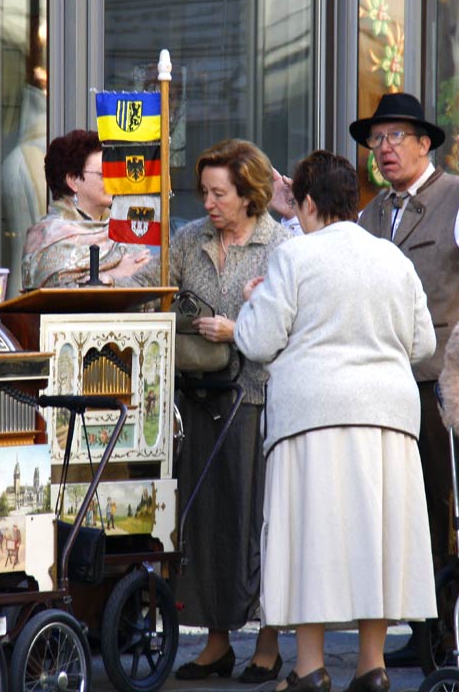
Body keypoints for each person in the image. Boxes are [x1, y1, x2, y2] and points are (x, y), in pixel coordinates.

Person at [235, 150, 437, 692]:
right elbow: (424, 343)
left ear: (306, 202)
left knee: (310, 540)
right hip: (389, 418)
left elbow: (257, 342)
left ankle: (309, 668)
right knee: (376, 541)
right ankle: (373, 666)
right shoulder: (394, 259)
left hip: (313, 416)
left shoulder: (294, 258)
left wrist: (253, 302)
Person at [348, 93, 459, 667]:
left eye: (395, 137)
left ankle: (450, 634)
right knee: (397, 510)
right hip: (383, 380)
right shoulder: (371, 213)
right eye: (377, 140)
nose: (383, 149)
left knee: (441, 505)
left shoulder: (458, 197)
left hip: (441, 385)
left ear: (425, 144)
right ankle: (422, 630)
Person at [146, 139, 289, 683]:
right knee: (205, 524)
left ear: (250, 193)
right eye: (203, 191)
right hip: (196, 399)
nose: (208, 202)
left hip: (255, 399)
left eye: (219, 193)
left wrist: (237, 330)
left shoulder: (280, 248)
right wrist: (121, 267)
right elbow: (150, 289)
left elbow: (288, 329)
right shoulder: (187, 240)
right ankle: (216, 642)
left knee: (258, 522)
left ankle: (269, 644)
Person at [20, 129, 150, 289]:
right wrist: (115, 275)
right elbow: (54, 293)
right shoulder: (49, 236)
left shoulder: (125, 231)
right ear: (73, 180)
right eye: (103, 174)